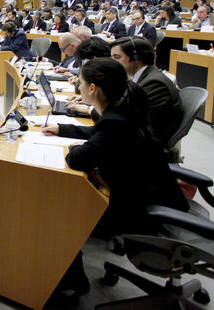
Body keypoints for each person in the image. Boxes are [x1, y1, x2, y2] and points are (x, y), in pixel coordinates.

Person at [42, 58, 188, 297]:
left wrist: (77, 147)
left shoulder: (115, 121)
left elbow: (77, 160)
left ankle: (72, 281)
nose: (77, 88)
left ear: (92, 89)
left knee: (59, 209)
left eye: (80, 83)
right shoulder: (123, 111)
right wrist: (64, 129)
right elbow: (98, 133)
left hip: (140, 211)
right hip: (153, 196)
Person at [110, 37, 183, 144]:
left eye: (116, 57)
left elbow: (127, 118)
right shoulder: (143, 77)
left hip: (143, 148)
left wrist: (93, 107)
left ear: (136, 57)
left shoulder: (155, 83)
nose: (112, 62)